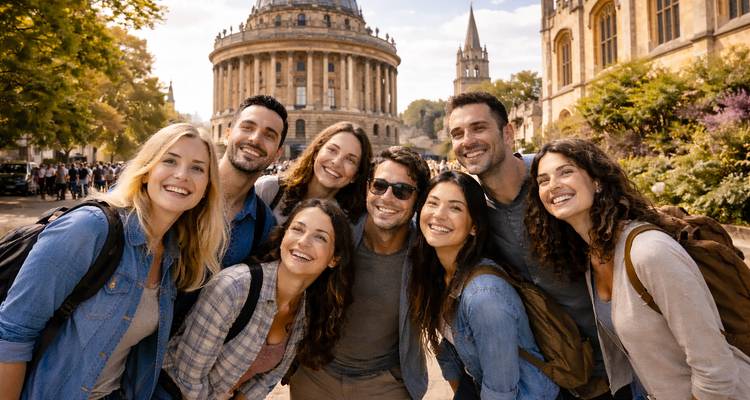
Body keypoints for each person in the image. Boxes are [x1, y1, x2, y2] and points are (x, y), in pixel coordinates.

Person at [0, 123, 227, 399]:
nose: (182, 175)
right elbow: (11, 335)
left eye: (197, 168)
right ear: (147, 171)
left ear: (207, 186)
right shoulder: (90, 228)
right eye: (170, 160)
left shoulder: (173, 255)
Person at [525, 138, 750, 400]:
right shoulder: (593, 257)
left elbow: (714, 368)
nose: (554, 185)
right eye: (543, 180)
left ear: (597, 182)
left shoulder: (649, 252)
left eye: (566, 171)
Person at [445, 91, 620, 398]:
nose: (467, 140)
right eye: (457, 134)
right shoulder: (475, 214)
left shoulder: (557, 185)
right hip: (561, 375)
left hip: (624, 363)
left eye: (478, 128)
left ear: (508, 132)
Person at [158, 199, 353, 400]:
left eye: (320, 237)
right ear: (284, 235)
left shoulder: (305, 311)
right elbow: (187, 378)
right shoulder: (234, 288)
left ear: (334, 259)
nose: (303, 241)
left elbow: (268, 379)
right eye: (297, 229)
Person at [289, 146, 430, 400]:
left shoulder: (426, 253)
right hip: (315, 375)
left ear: (417, 200)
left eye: (402, 191)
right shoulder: (335, 234)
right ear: (367, 188)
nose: (387, 198)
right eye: (379, 185)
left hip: (384, 384)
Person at [409, 171, 558, 399]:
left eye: (455, 208)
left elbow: (501, 390)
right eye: (433, 203)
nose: (439, 215)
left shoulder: (484, 296)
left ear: (474, 227)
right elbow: (448, 349)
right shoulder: (438, 273)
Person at [255, 121, 372, 225]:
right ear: (316, 152)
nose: (336, 162)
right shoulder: (268, 189)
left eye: (350, 160)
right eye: (332, 150)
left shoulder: (353, 223)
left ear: (356, 174)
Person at [219, 95, 288, 267]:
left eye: (269, 135)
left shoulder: (264, 225)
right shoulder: (182, 188)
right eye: (248, 127)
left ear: (277, 154)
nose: (255, 139)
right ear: (227, 134)